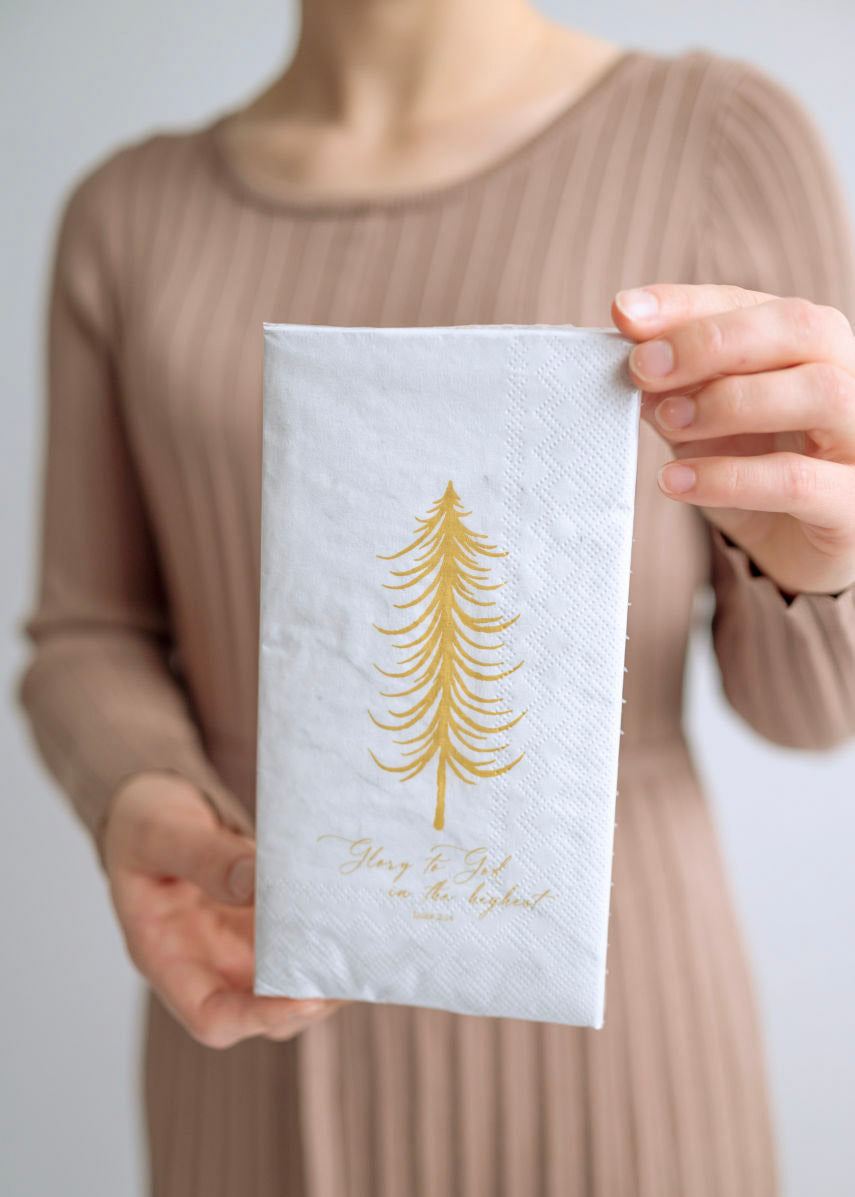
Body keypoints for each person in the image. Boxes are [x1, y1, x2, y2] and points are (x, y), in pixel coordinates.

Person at [14, 0, 855, 1193]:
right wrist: (142, 795)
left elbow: (808, 714)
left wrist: (824, 563)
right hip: (246, 1000)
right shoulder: (128, 213)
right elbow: (88, 627)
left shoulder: (716, 138)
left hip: (620, 1060)